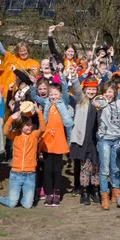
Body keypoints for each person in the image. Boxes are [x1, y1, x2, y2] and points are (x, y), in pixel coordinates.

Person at [95, 60, 120, 209]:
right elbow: (97, 102)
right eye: (106, 92)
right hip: (104, 139)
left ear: (115, 92)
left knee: (115, 168)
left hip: (117, 140)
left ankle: (116, 193)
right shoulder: (100, 102)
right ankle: (104, 195)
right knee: (105, 169)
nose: (108, 94)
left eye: (111, 92)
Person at [30, 79, 75, 207]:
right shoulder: (46, 103)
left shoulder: (63, 102)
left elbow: (66, 92)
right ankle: (48, 194)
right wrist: (34, 85)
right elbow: (34, 96)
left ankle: (56, 193)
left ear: (60, 94)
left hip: (59, 139)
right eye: (51, 94)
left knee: (57, 169)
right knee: (47, 169)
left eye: (56, 94)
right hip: (47, 138)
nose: (53, 97)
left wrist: (63, 77)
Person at [0, 102, 46, 209]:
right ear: (20, 126)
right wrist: (11, 118)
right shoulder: (15, 135)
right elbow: (5, 132)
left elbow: (42, 129)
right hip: (16, 174)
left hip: (30, 175)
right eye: (27, 125)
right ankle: (1, 198)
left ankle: (17, 197)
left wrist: (39, 113)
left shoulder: (34, 135)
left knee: (27, 205)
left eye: (30, 124)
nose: (30, 126)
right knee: (11, 204)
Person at [69, 75, 101, 206]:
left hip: (95, 140)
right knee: (84, 167)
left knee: (95, 167)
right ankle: (85, 192)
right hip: (83, 140)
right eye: (89, 89)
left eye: (94, 89)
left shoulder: (100, 102)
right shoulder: (81, 100)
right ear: (85, 90)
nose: (92, 92)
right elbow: (76, 89)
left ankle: (95, 191)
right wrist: (75, 78)